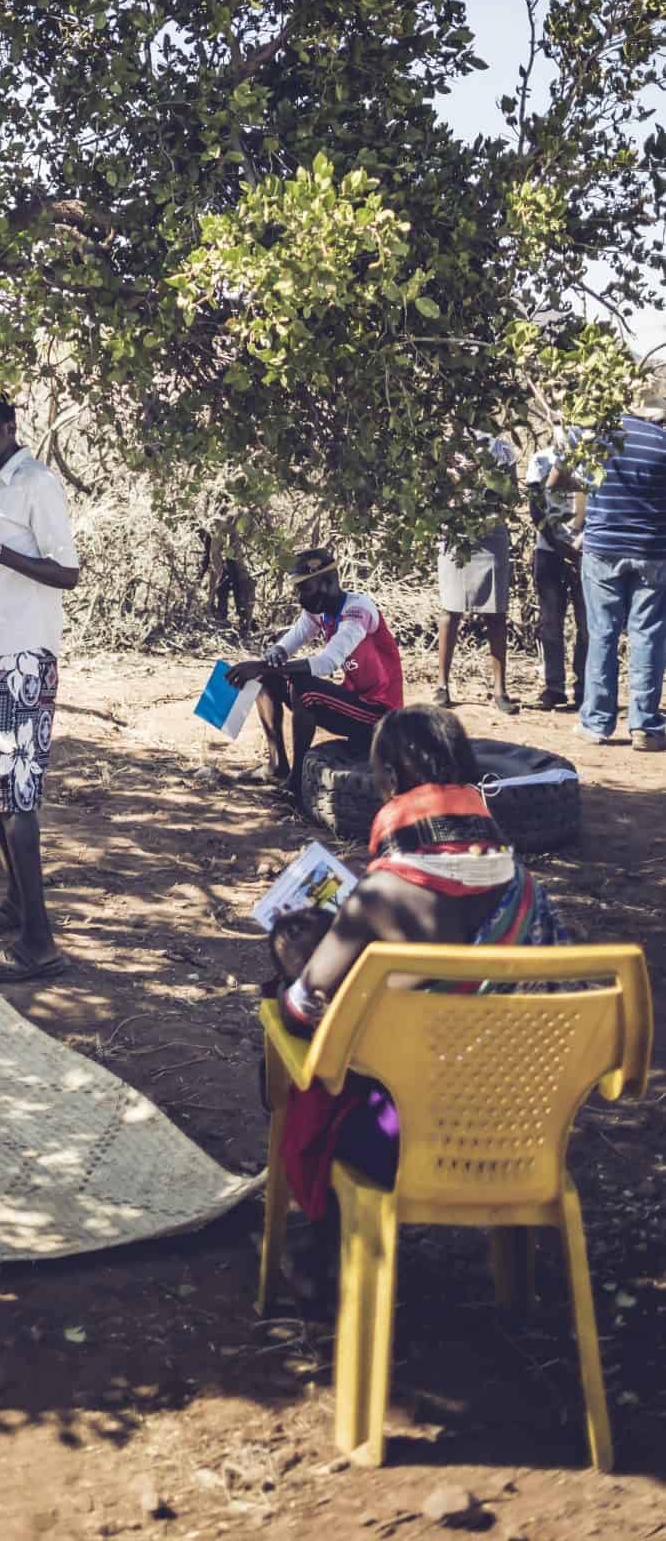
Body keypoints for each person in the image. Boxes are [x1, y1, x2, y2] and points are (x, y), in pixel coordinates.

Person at [266, 704, 568, 1226]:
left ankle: (316, 1243)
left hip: (399, 1142)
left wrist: (295, 973)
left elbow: (302, 1013)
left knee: (283, 1021)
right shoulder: (528, 893)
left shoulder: (381, 896)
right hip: (521, 1134)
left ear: (386, 783)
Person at [0, 399, 79, 985]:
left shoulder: (35, 482)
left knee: (18, 792)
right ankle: (15, 905)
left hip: (22, 655)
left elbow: (67, 572)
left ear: (9, 431)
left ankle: (39, 943)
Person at [226, 546, 404, 803]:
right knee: (266, 679)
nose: (300, 597)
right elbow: (289, 643)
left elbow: (328, 662)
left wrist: (262, 665)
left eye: (304, 589)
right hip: (354, 703)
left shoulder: (359, 610)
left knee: (305, 689)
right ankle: (277, 766)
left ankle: (298, 781)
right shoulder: (319, 611)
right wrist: (272, 656)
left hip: (380, 715)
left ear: (328, 582)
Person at [576, 392, 666, 752]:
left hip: (603, 548)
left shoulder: (597, 437)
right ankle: (644, 725)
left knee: (603, 634)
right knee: (648, 636)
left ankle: (597, 722)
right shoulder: (662, 443)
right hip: (653, 552)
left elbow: (571, 481)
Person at [434, 434, 519, 714]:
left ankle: (500, 690)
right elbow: (435, 491)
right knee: (450, 610)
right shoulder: (446, 444)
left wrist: (489, 478)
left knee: (496, 612)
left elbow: (511, 495)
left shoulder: (503, 447)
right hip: (455, 532)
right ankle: (442, 685)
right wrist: (458, 477)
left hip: (491, 531)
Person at [526, 432, 587, 713]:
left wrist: (580, 542)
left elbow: (597, 507)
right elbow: (536, 510)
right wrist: (560, 547)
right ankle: (554, 687)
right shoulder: (540, 460)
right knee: (551, 623)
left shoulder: (593, 460)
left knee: (587, 626)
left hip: (586, 551)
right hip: (550, 550)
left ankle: (585, 687)